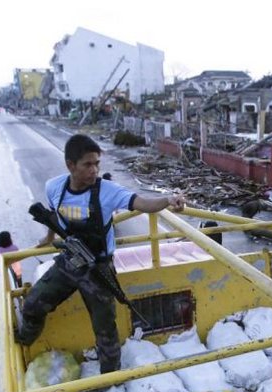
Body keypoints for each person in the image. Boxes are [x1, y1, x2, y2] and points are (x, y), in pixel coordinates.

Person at [16, 134, 186, 373]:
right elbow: (53, 216)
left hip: (99, 268)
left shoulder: (107, 191)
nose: (94, 170)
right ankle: (22, 341)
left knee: (105, 329)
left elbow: (144, 203)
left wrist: (169, 199)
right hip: (70, 260)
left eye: (97, 163)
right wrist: (47, 239)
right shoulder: (54, 187)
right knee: (33, 303)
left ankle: (109, 376)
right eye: (88, 164)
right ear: (70, 165)